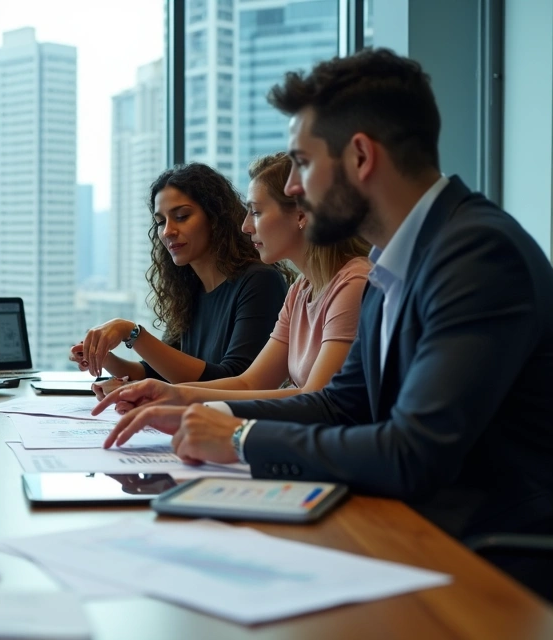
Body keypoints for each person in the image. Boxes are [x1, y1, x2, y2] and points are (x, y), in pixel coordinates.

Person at [100, 50, 553, 581]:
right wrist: (194, 408)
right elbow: (341, 403)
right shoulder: (397, 259)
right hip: (405, 532)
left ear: (360, 157)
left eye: (304, 163)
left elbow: (413, 451)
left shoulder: (475, 255)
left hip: (479, 560)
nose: (293, 186)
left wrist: (240, 437)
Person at [96, 153, 370, 409]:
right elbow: (249, 383)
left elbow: (316, 399)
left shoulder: (352, 284)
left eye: (257, 212)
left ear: (300, 214)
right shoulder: (301, 289)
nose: (246, 226)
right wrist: (165, 394)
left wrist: (174, 395)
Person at [71, 163, 289, 385]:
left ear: (215, 218)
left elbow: (233, 380)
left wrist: (132, 332)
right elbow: (159, 372)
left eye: (182, 216)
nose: (167, 231)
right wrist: (101, 354)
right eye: (160, 222)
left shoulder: (260, 281)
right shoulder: (190, 290)